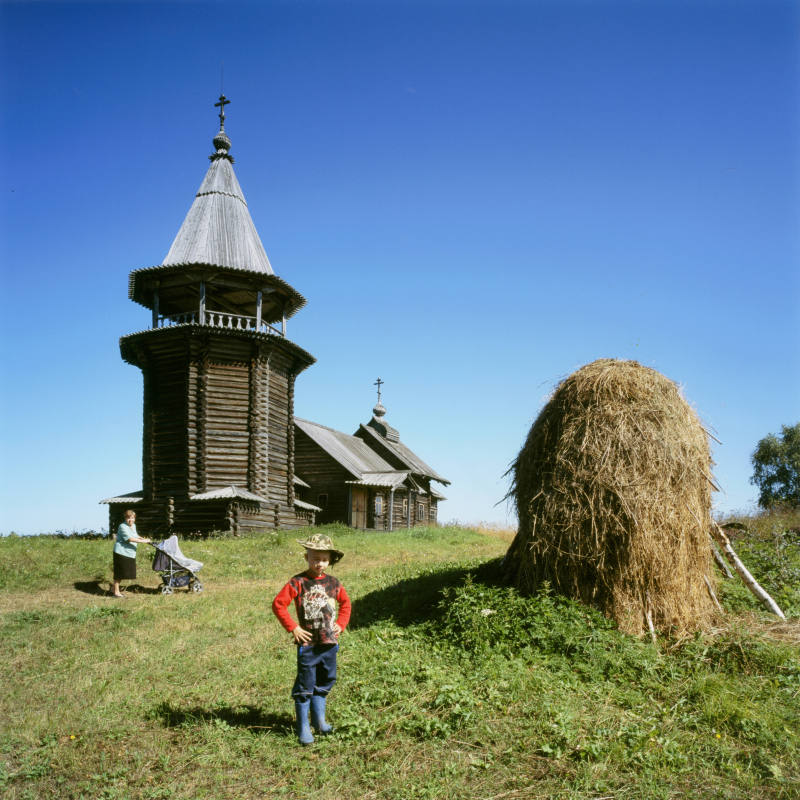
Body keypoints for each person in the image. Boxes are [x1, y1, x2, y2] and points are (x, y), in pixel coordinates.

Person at [272, 533, 351, 745]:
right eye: (315, 558)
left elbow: (346, 604)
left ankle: (319, 721)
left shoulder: (334, 583)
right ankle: (303, 727)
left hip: (329, 643)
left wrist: (341, 624)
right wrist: (293, 628)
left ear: (330, 560)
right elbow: (279, 604)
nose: (319, 563)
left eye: (324, 559)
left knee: (325, 681)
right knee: (305, 684)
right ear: (306, 556)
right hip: (308, 645)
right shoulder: (298, 582)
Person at [111, 510, 151, 598]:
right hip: (121, 552)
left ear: (134, 518)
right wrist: (143, 541)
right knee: (119, 573)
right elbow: (130, 539)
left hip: (129, 553)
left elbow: (135, 535)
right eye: (128, 518)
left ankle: (114, 589)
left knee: (125, 572)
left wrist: (144, 539)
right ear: (125, 518)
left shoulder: (133, 526)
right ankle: (116, 593)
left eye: (132, 518)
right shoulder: (122, 526)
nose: (130, 520)